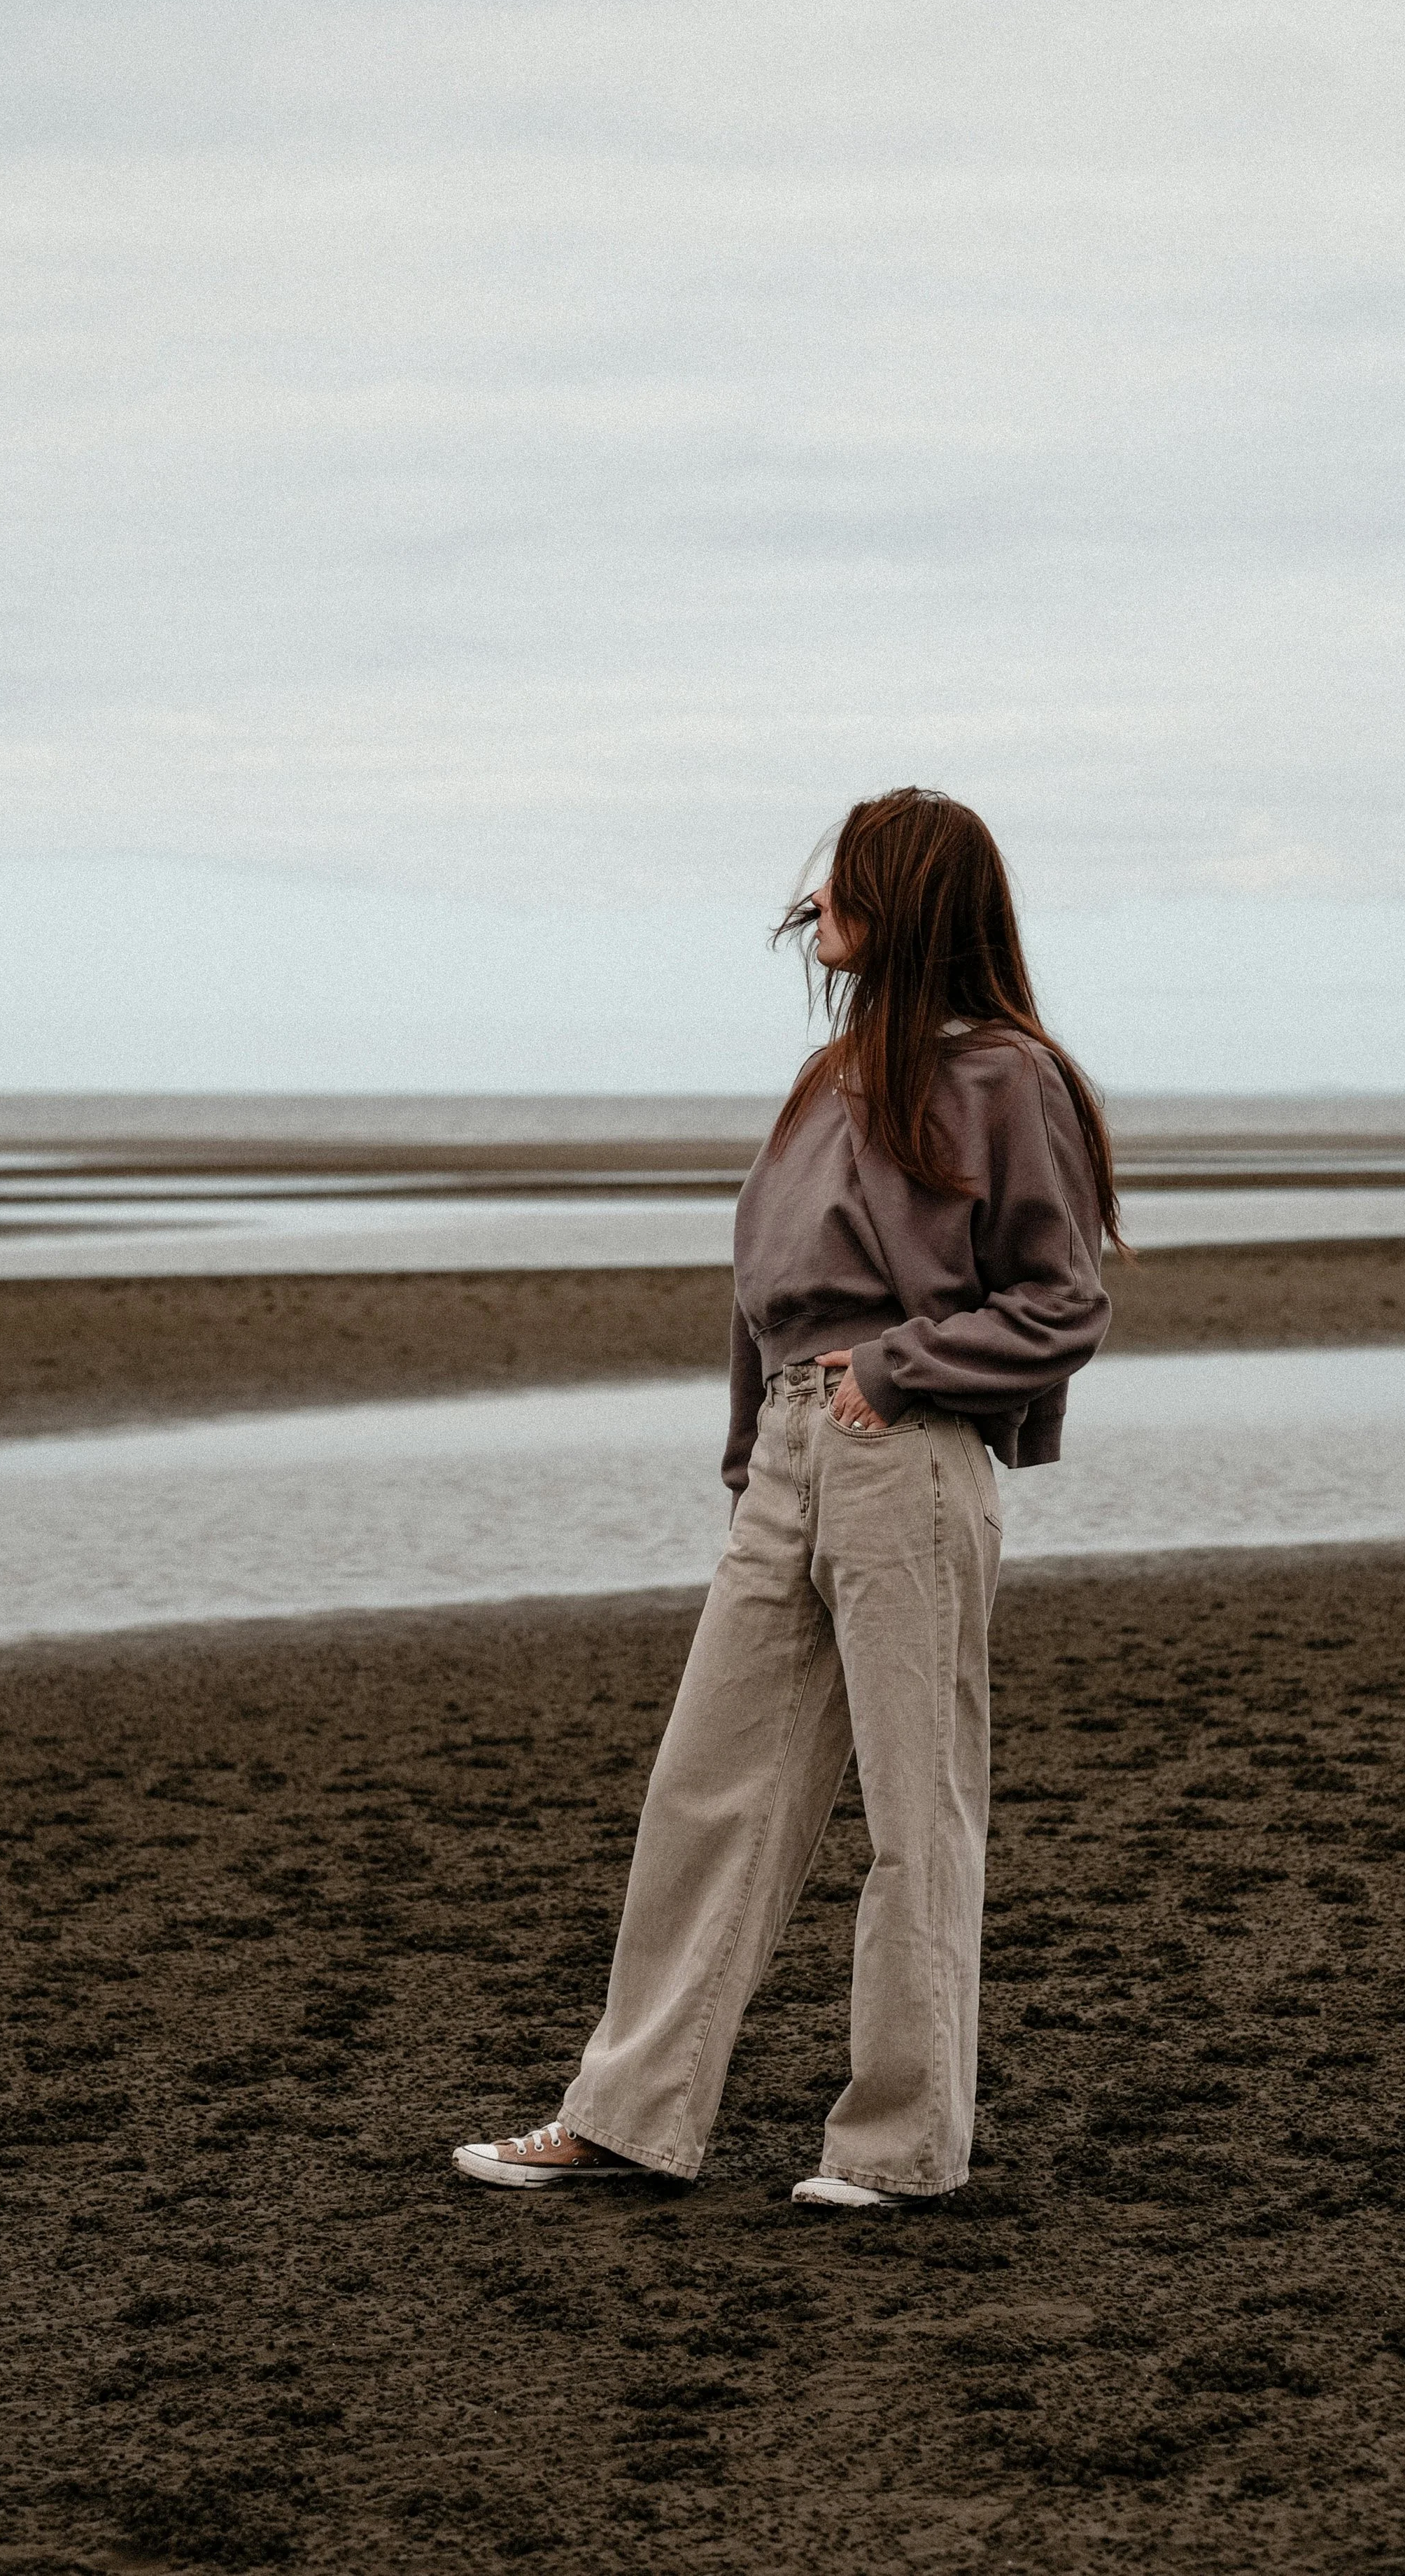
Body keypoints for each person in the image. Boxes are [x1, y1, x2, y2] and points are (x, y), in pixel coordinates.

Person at [456, 787, 1122, 2207]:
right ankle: (629, 2117)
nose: (817, 910)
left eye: (844, 887)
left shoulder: (1005, 1076)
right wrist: (750, 1457)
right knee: (707, 1788)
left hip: (905, 1445)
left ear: (909, 904)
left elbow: (1062, 1299)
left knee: (913, 1808)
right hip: (792, 1454)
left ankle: (897, 2150)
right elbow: (757, 1295)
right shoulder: (828, 1080)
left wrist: (896, 1367)